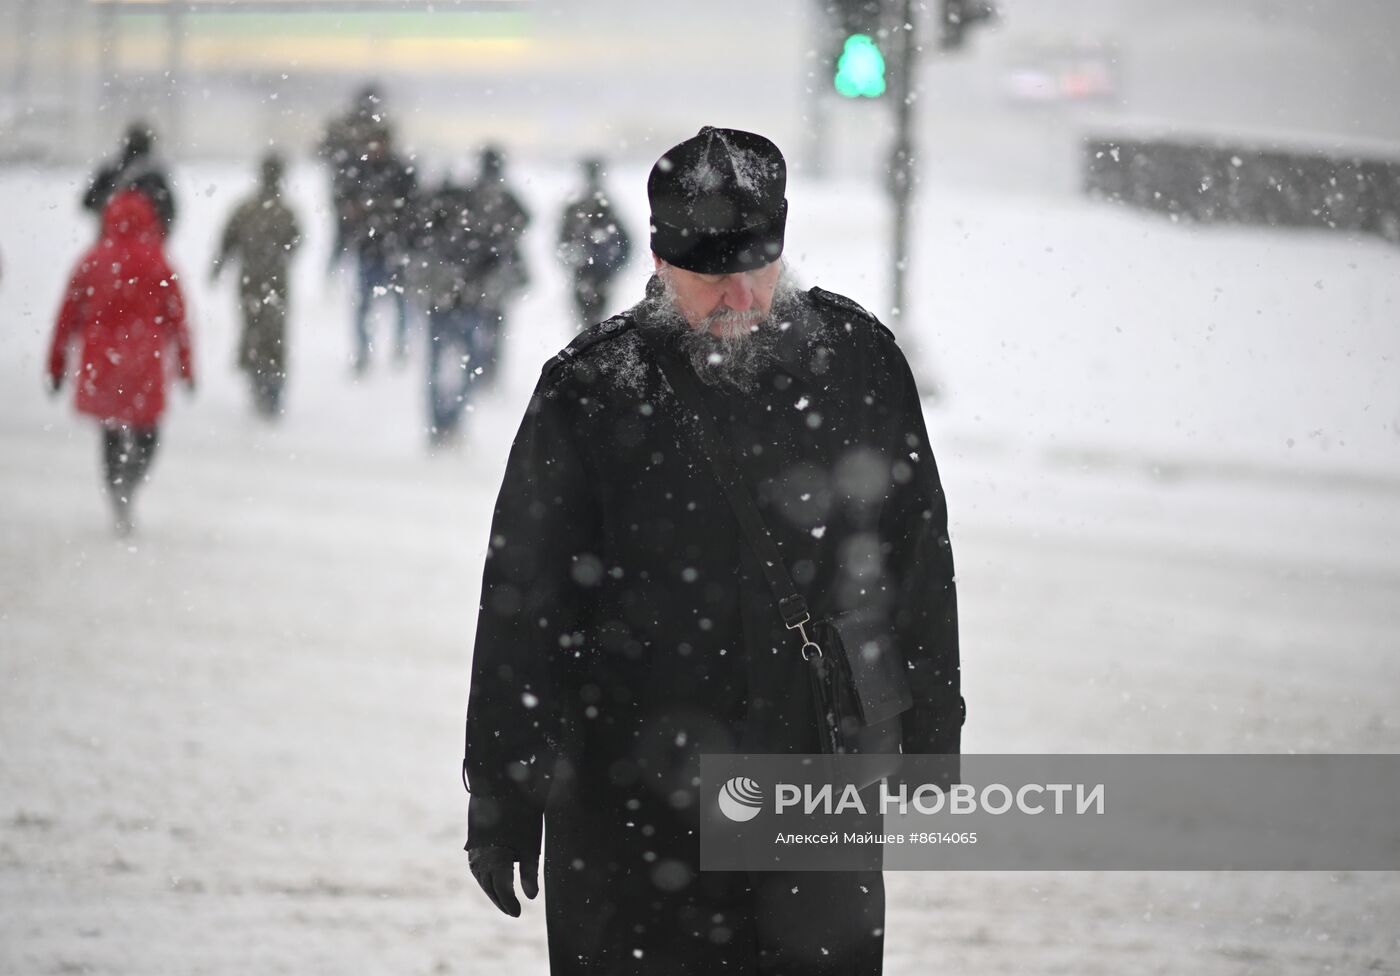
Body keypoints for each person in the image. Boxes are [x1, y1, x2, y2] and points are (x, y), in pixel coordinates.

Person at [461, 126, 962, 974]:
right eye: (708, 275)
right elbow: (526, 600)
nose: (737, 296)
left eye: (755, 269)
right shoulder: (591, 387)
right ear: (659, 263)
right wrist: (504, 788)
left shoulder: (857, 361)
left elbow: (915, 561)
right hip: (626, 796)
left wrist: (931, 737)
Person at [48, 189, 194, 537]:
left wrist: (55, 366)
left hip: (102, 362)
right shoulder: (158, 261)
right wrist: (187, 367)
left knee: (110, 434)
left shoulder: (92, 260)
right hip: (145, 362)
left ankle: (117, 491)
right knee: (148, 435)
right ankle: (131, 482)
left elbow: (66, 318)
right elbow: (178, 319)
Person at [408, 174, 499, 447]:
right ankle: (447, 422)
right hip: (459, 306)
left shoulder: (436, 232)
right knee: (464, 366)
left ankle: (444, 422)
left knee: (446, 366)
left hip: (450, 306)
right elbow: (492, 258)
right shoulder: (467, 232)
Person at [211, 152, 302, 419]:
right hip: (273, 281)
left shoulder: (247, 208)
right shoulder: (284, 211)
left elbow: (227, 241)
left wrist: (219, 266)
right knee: (272, 334)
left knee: (254, 332)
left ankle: (262, 388)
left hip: (252, 280)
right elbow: (296, 242)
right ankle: (270, 391)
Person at [342, 128, 416, 375]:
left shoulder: (400, 172)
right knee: (364, 305)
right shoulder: (359, 172)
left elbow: (414, 209)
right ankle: (364, 352)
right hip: (369, 247)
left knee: (401, 304)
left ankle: (400, 347)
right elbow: (345, 206)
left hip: (394, 247)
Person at [461, 145, 530, 387]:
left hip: (483, 271)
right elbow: (524, 219)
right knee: (490, 325)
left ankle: (480, 369)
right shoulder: (501, 194)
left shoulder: (475, 193)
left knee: (480, 324)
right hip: (490, 270)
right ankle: (486, 370)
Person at [317, 84, 392, 272]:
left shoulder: (357, 126)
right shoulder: (352, 127)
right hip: (351, 186)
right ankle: (331, 276)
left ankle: (333, 275)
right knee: (347, 239)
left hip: (357, 187)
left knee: (354, 241)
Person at [556, 156, 632, 327]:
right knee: (592, 325)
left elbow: (624, 244)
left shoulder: (589, 208)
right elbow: (625, 244)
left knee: (591, 325)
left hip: (593, 274)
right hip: (590, 273)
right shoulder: (600, 207)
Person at [82, 121, 177, 236]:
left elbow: (87, 202)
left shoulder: (111, 168)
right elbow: (169, 212)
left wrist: (109, 210)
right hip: (147, 243)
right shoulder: (155, 172)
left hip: (111, 240)